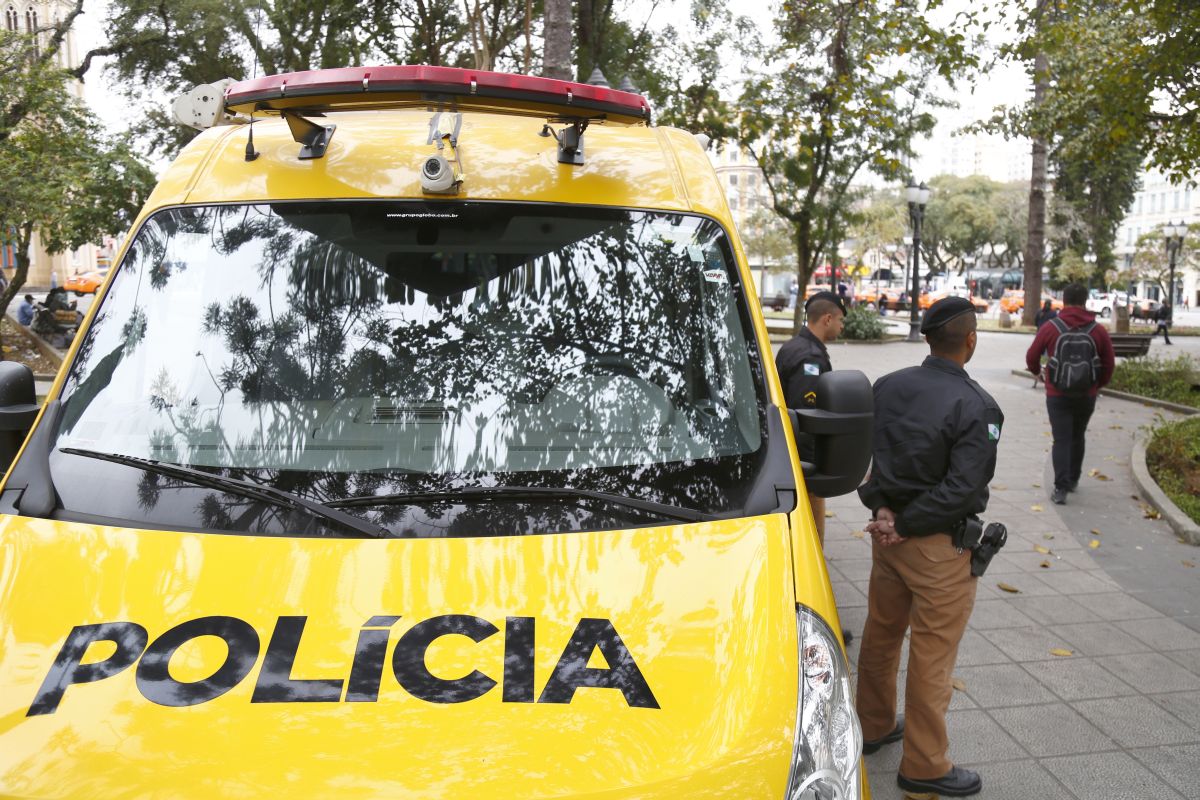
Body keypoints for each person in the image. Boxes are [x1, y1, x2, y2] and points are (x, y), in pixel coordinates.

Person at [855, 297, 1002, 798]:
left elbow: (867, 458)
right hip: (938, 548)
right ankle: (924, 765)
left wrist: (883, 511)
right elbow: (963, 488)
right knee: (932, 655)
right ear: (971, 340)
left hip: (888, 538)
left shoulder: (887, 386)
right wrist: (906, 523)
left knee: (882, 633)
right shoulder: (978, 405)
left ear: (927, 339)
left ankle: (872, 725)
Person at [1025, 282, 1115, 505]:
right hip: (1087, 393)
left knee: (1061, 438)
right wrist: (1097, 385)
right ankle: (1073, 478)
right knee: (1078, 435)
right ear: (1085, 301)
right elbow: (1109, 363)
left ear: (1063, 301)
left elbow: (1032, 356)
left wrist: (1039, 374)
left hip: (1057, 394)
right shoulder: (1097, 330)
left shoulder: (1051, 327)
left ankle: (1060, 487)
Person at [776, 290, 847, 546]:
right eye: (840, 320)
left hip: (786, 453)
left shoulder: (793, 346)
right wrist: (812, 470)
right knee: (812, 535)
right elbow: (806, 419)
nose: (841, 326)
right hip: (803, 462)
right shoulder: (810, 357)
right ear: (827, 319)